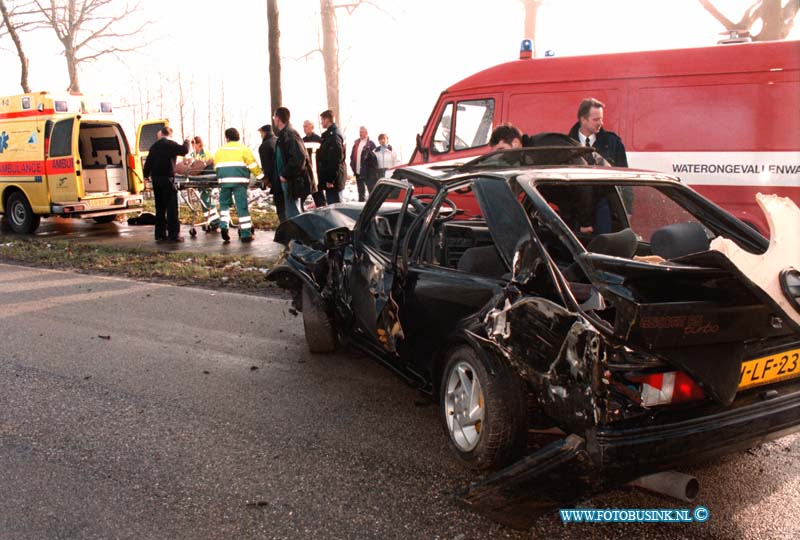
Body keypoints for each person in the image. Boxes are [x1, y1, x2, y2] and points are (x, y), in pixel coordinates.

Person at [214, 127, 263, 243]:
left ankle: (224, 227)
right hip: (239, 182)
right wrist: (261, 177)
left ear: (227, 138)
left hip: (224, 182)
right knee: (242, 207)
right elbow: (253, 166)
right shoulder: (243, 149)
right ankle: (246, 234)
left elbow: (216, 167)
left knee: (224, 206)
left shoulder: (220, 150)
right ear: (238, 137)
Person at [142, 126, 190, 243]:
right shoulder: (170, 144)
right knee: (171, 207)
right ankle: (173, 235)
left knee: (160, 208)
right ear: (170, 135)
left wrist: (145, 176)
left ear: (161, 134)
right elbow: (184, 150)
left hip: (156, 179)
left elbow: (148, 162)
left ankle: (160, 235)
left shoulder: (154, 146)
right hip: (167, 178)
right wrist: (187, 141)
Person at [273, 107, 311, 219]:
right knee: (291, 213)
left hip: (291, 181)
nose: (274, 119)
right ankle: (295, 236)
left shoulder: (290, 134)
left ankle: (298, 236)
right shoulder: (284, 134)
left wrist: (285, 175)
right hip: (287, 180)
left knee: (294, 214)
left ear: (278, 118)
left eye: (274, 117)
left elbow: (299, 158)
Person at [567, 98, 628, 167]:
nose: (601, 123)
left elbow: (623, 173)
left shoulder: (614, 143)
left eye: (601, 119)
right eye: (596, 120)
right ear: (583, 119)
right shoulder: (566, 145)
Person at [317, 109, 347, 204]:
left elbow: (335, 159)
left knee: (336, 209)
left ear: (327, 120)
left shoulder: (334, 136)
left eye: (322, 119)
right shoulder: (331, 134)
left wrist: (330, 180)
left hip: (334, 181)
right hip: (333, 179)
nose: (321, 122)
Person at [190, 136, 220, 231]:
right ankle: (212, 221)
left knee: (206, 201)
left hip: (206, 179)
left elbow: (208, 164)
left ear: (199, 144)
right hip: (200, 179)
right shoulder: (194, 154)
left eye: (194, 145)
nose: (193, 147)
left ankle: (215, 222)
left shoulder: (205, 153)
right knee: (204, 201)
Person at [258, 124, 283, 222]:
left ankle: (285, 229)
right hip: (285, 177)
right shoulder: (279, 140)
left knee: (281, 207)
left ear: (264, 133)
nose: (260, 135)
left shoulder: (264, 146)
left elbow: (266, 166)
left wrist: (266, 180)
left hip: (275, 180)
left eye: (261, 133)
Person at [302, 119, 326, 209]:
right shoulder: (302, 140)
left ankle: (323, 212)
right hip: (307, 172)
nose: (304, 128)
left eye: (306, 126)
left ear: (312, 127)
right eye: (303, 126)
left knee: (319, 195)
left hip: (317, 172)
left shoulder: (318, 139)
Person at [349, 126, 378, 201]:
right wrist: (352, 166)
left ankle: (372, 209)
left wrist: (371, 171)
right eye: (359, 132)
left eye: (361, 132)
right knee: (360, 192)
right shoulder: (356, 143)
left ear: (366, 133)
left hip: (368, 172)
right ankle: (361, 208)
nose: (360, 134)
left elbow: (374, 160)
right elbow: (352, 156)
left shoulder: (371, 144)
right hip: (358, 172)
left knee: (371, 192)